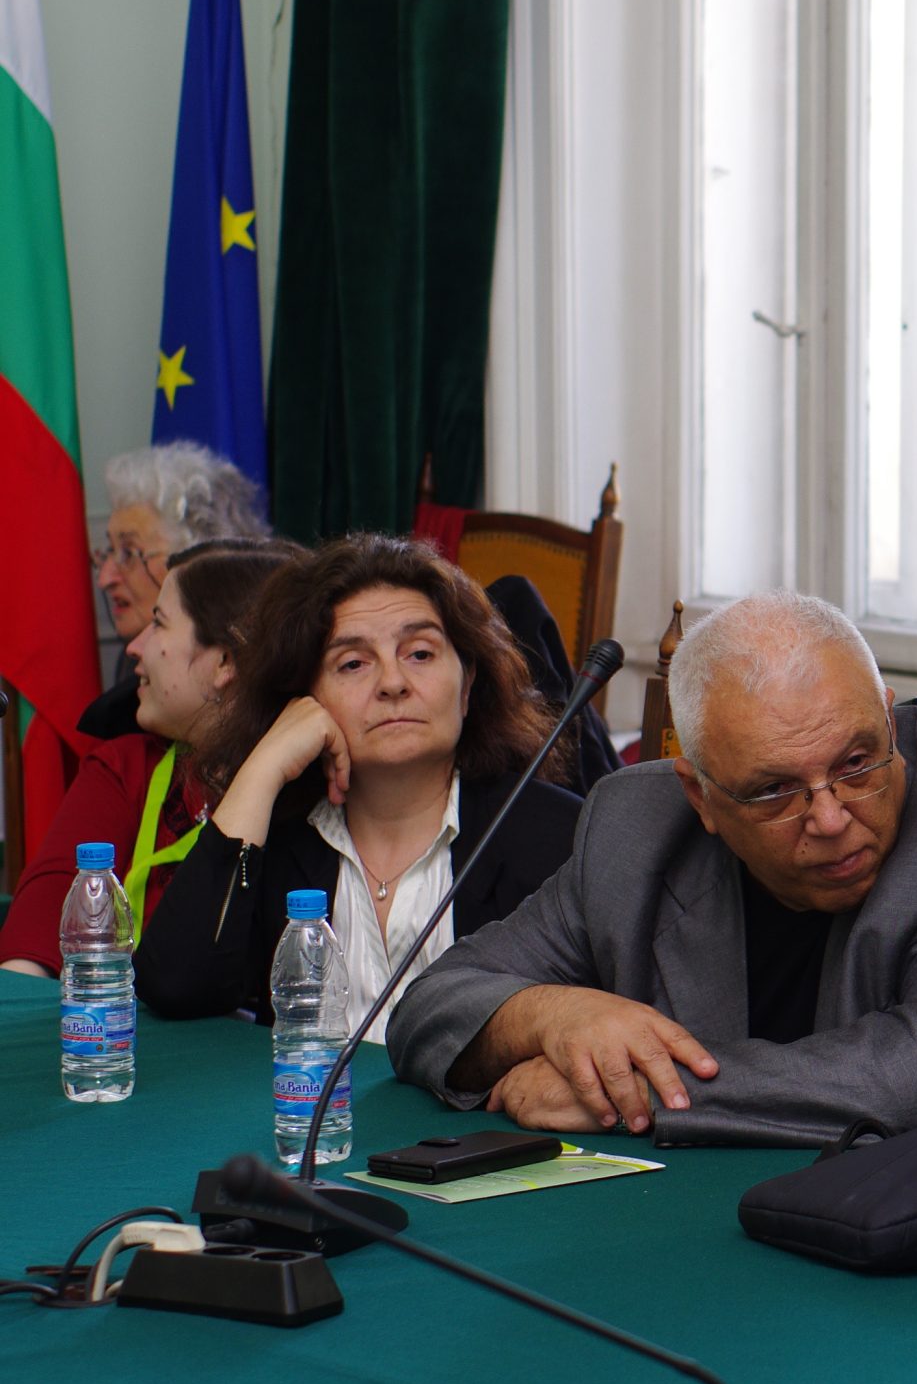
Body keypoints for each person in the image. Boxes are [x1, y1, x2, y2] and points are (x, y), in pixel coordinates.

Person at [384, 591, 917, 1148]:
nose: (830, 817)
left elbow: (903, 1083)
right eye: (775, 791)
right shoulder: (635, 828)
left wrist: (628, 1087)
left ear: (889, 721)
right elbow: (431, 1005)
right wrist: (552, 1014)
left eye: (857, 763)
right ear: (700, 796)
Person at [134, 535, 582, 1039]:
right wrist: (263, 768)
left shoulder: (557, 840)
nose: (393, 682)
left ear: (467, 685)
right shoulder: (280, 841)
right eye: (353, 663)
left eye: (420, 654)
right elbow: (175, 986)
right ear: (305, 699)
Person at [1, 541, 298, 976]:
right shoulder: (126, 766)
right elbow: (32, 942)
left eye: (158, 623)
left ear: (225, 662)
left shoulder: (319, 784)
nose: (134, 646)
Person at [82, 443, 270, 739]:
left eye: (129, 553)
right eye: (108, 551)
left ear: (196, 557)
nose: (105, 578)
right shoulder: (128, 668)